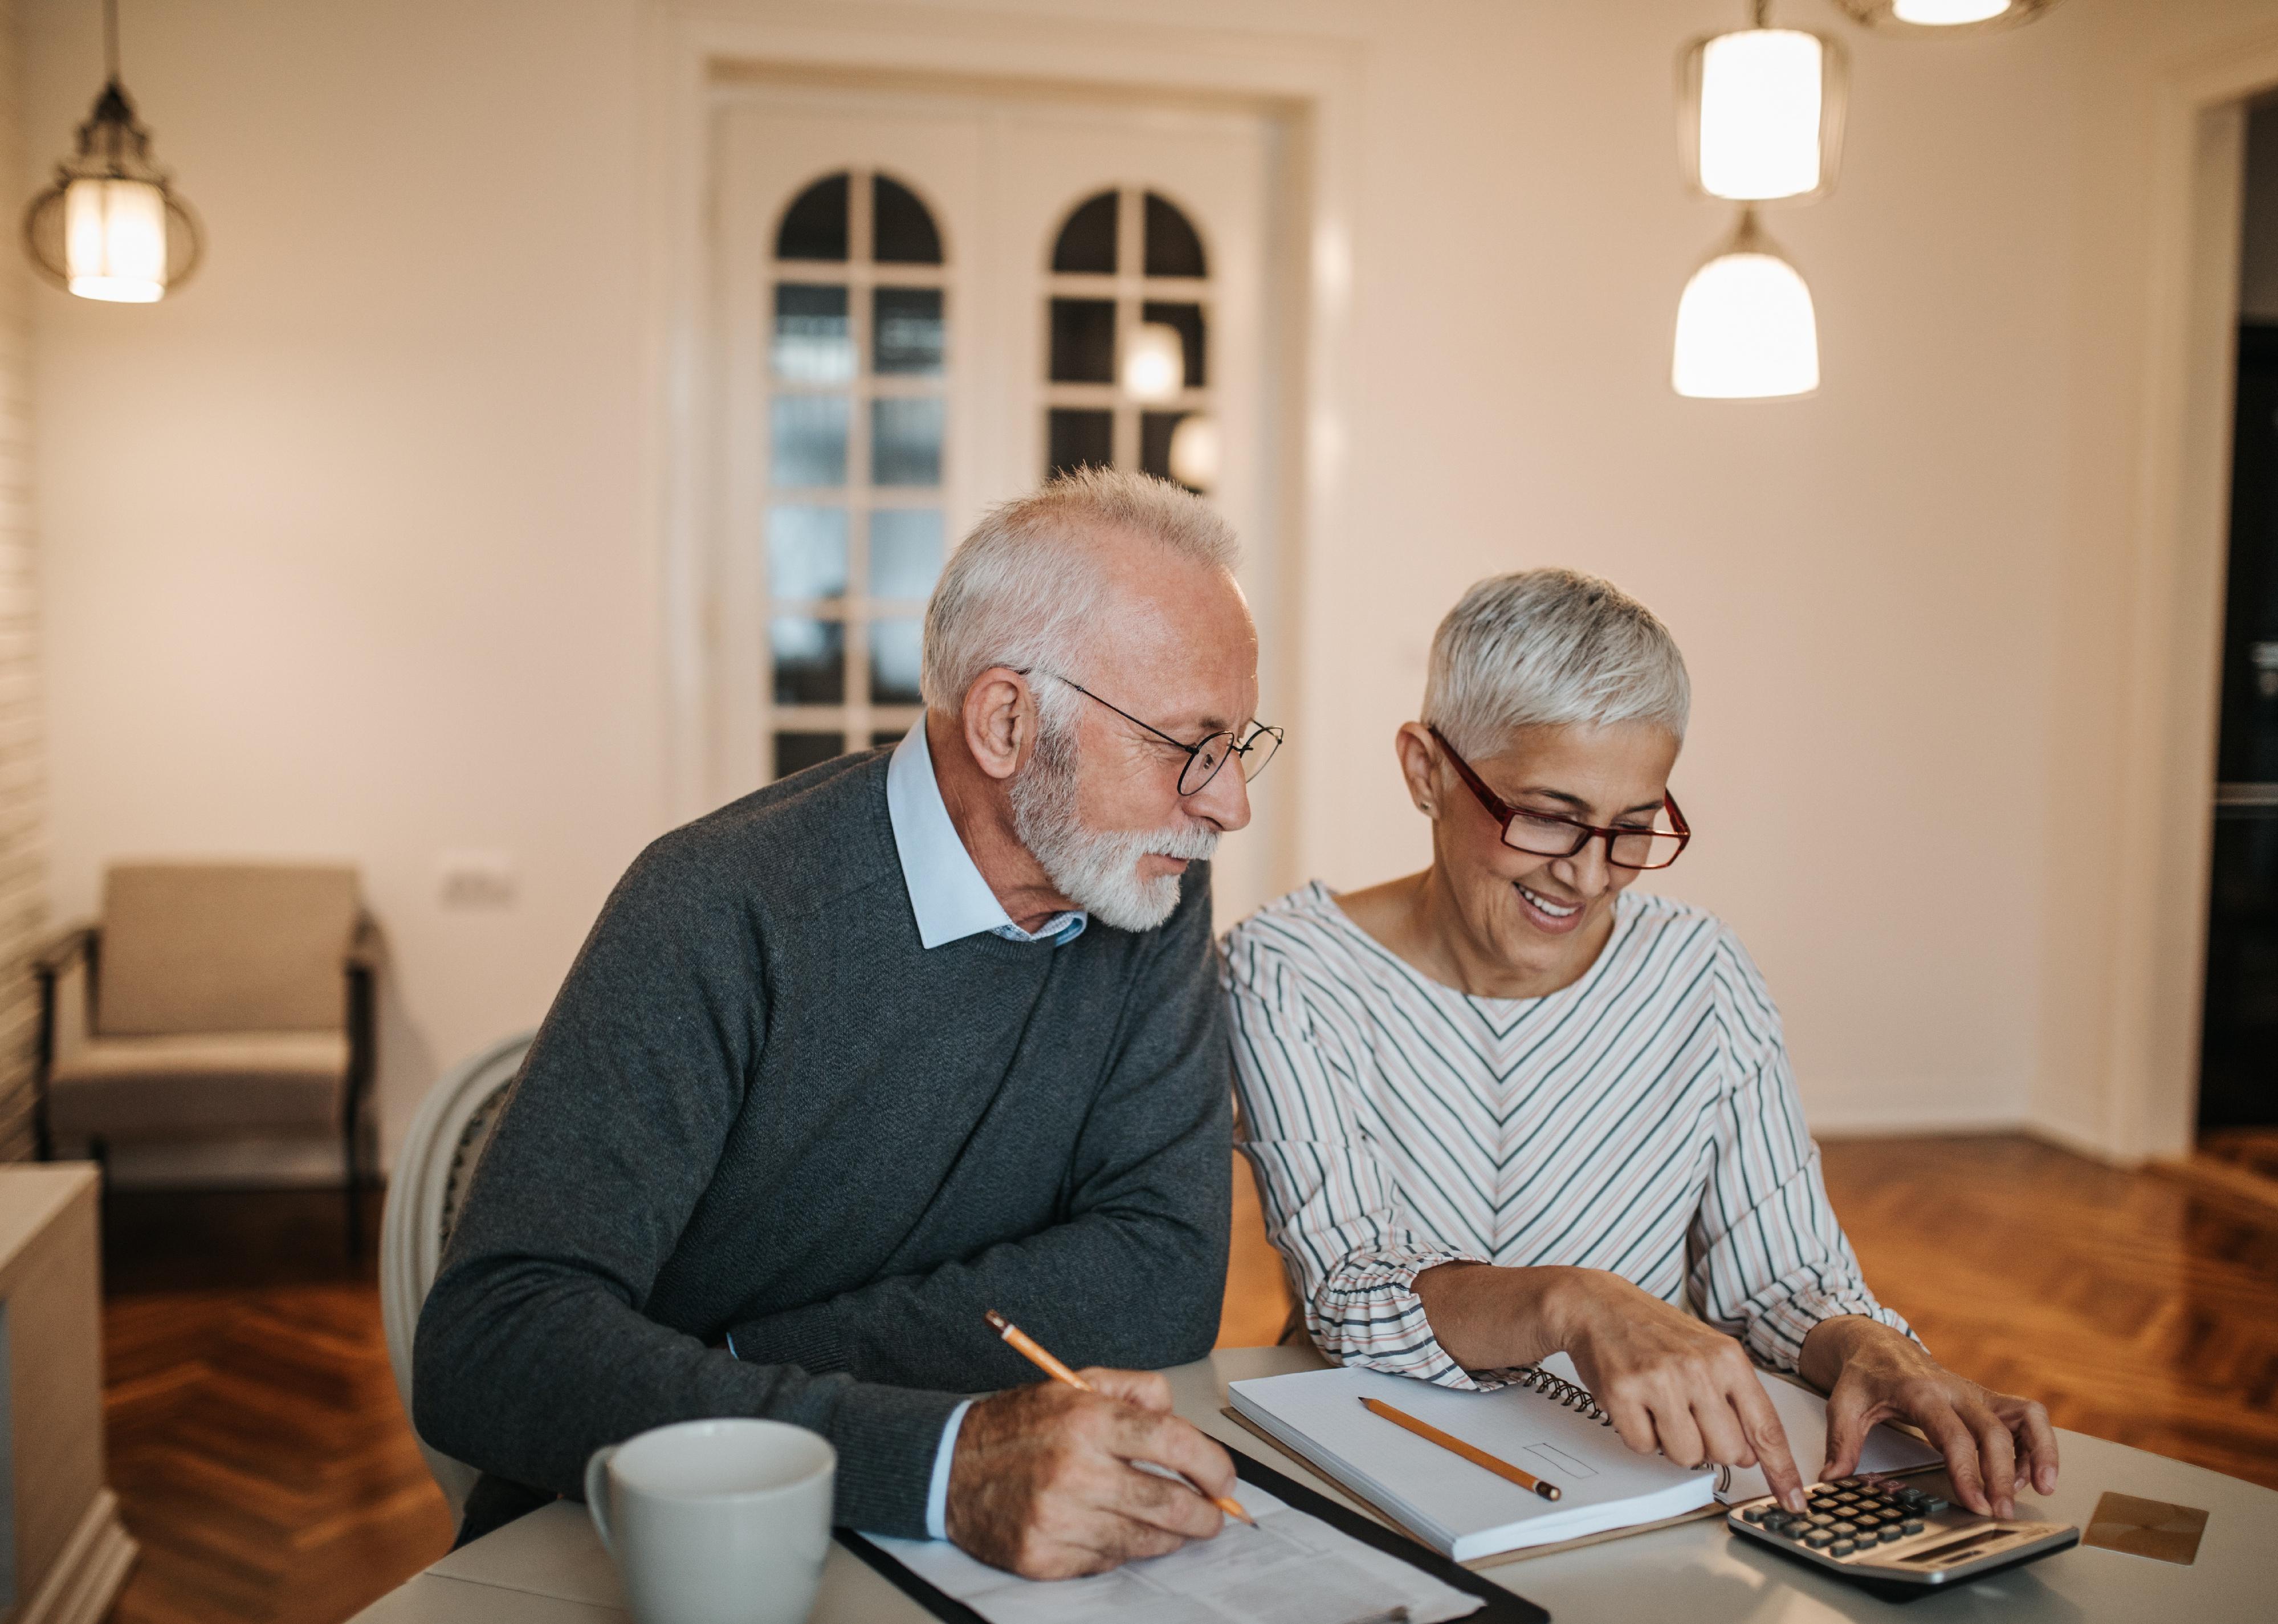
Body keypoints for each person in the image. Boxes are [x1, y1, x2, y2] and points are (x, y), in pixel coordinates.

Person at [416, 470, 1283, 1578]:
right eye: (1188, 746)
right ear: (1008, 721)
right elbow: (492, 1345)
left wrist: (729, 1369)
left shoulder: (1146, 887)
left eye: (1239, 746)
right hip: (664, 1547)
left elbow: (1158, 1280)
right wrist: (934, 1455)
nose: (1228, 806)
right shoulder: (719, 905)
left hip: (959, 1530)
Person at [1223, 568, 2057, 1521]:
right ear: (1425, 770)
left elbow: (1781, 1278)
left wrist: (1873, 1346)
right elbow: (1349, 1290)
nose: (1586, 875)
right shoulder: (1288, 969)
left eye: (1630, 829)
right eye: (1546, 815)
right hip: (1379, 1470)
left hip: (1647, 1479)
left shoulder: (1699, 971)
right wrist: (1573, 1302)